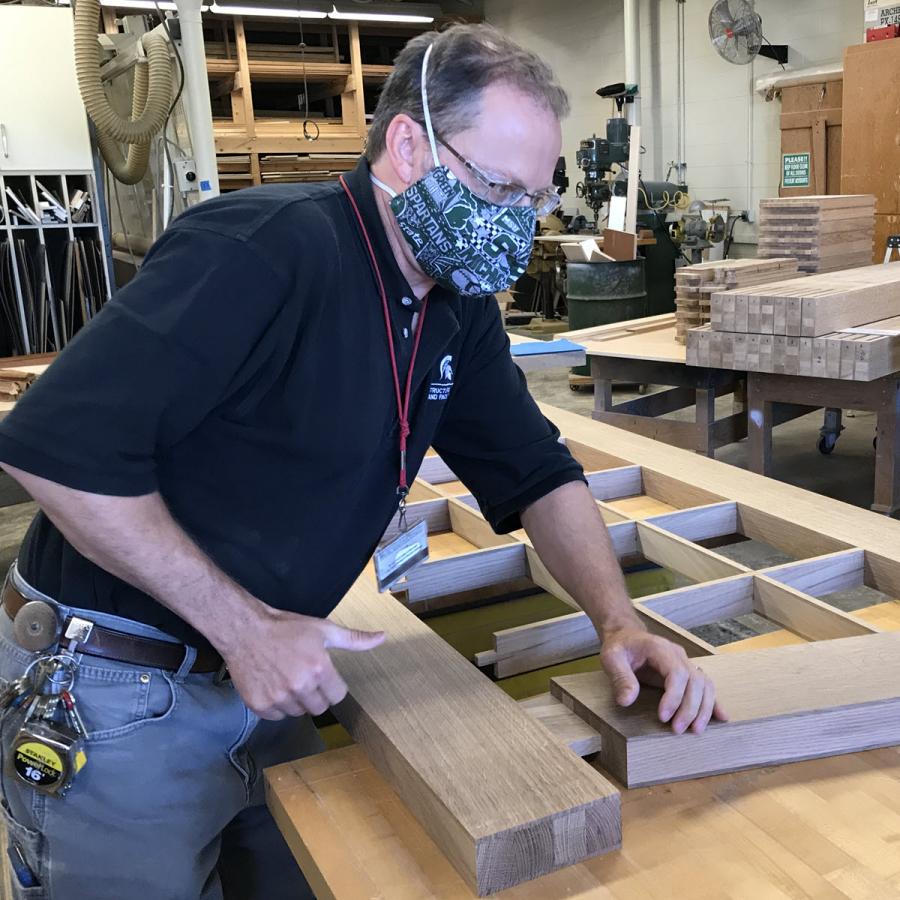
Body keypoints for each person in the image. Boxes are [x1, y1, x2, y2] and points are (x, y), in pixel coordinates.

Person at [0, 22, 726, 900]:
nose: (516, 223)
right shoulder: (262, 250)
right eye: (496, 187)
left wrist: (618, 621)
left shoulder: (454, 303)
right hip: (121, 690)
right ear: (410, 144)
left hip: (274, 673)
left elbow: (537, 471)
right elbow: (56, 451)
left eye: (534, 198)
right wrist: (243, 629)